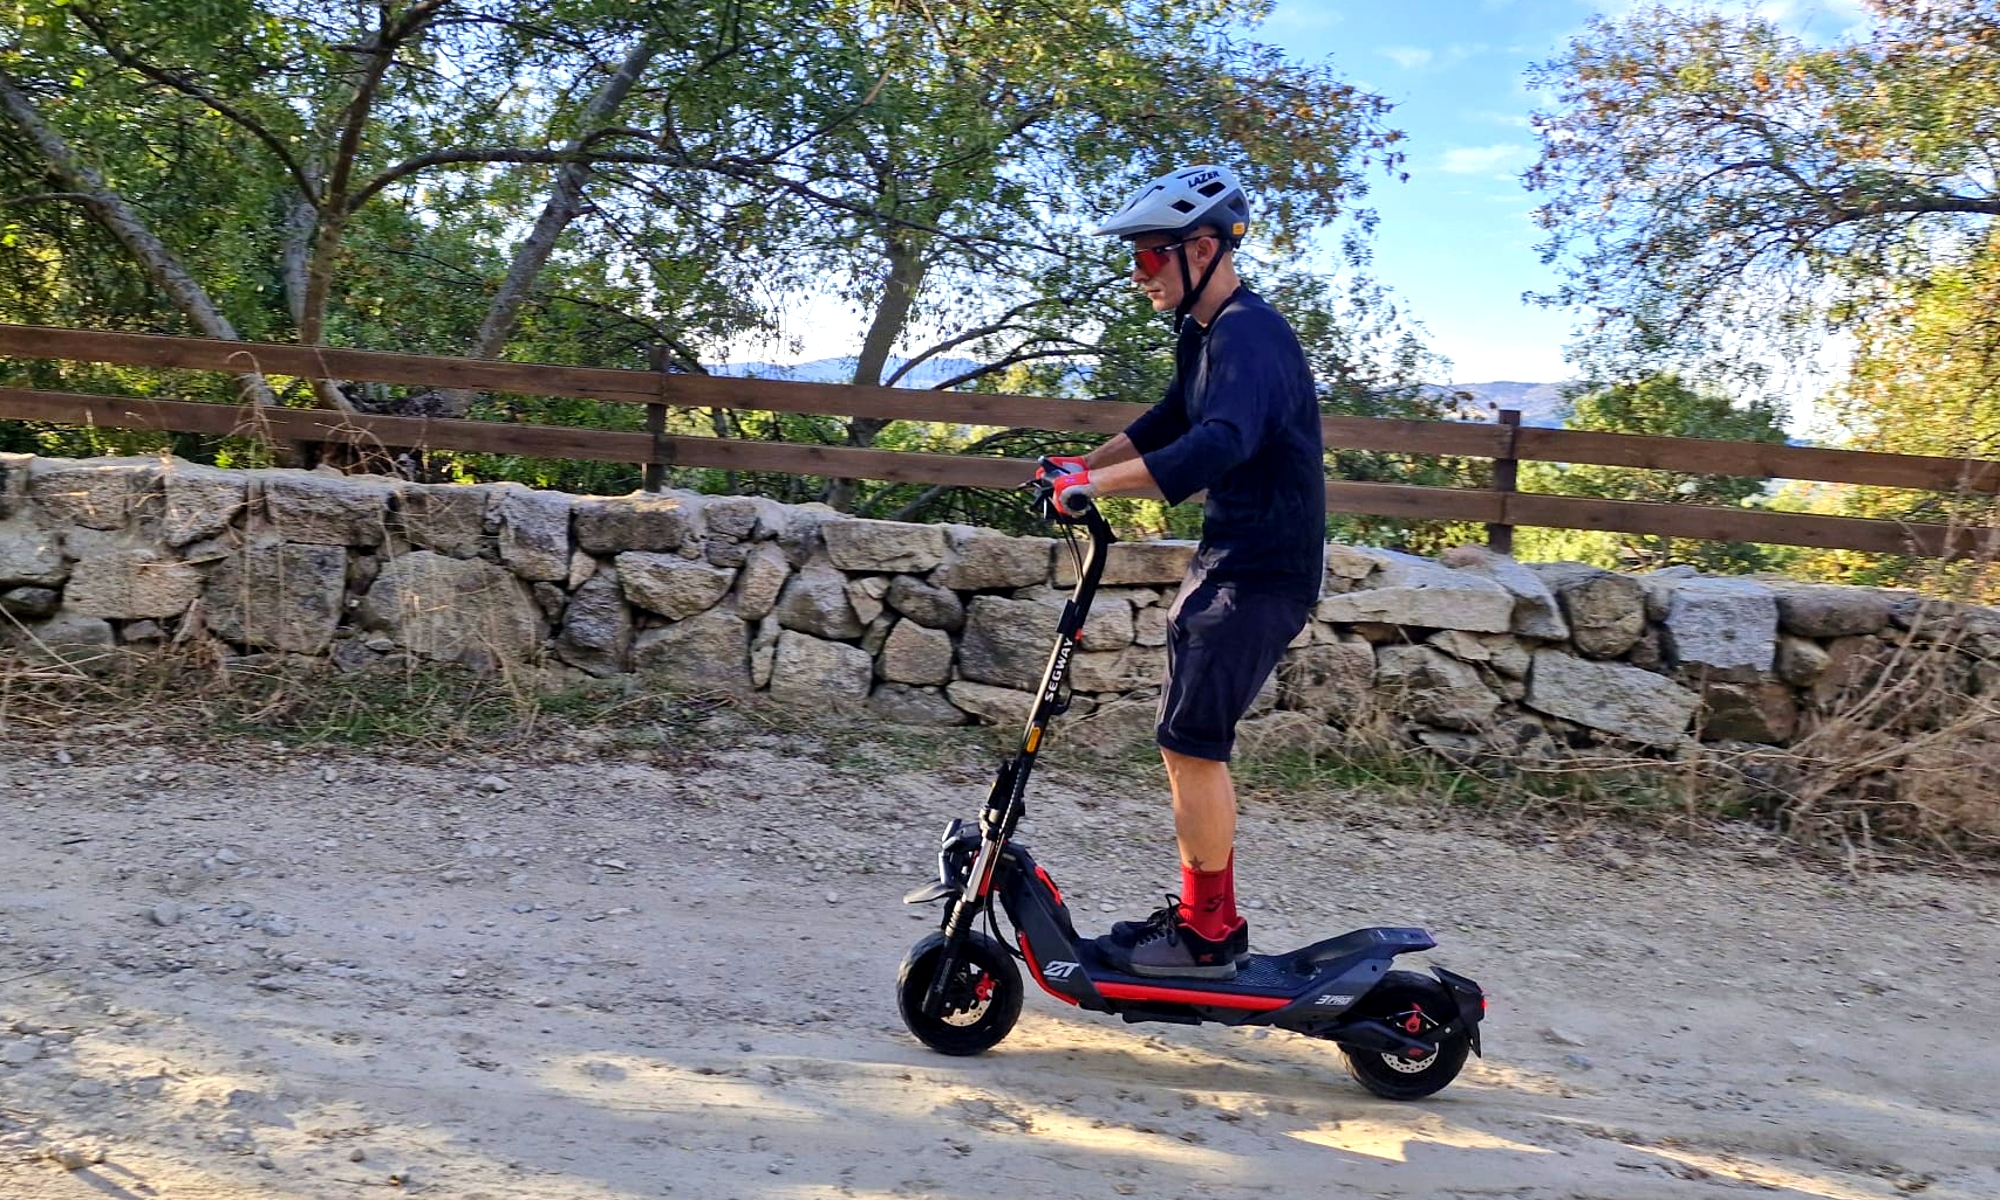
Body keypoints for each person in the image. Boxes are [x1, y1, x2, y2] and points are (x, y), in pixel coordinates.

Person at [1039, 165, 1324, 980]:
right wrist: (1079, 463)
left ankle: (1205, 938)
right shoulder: (1206, 333)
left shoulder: (1250, 334)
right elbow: (1171, 419)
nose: (1139, 276)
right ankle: (1206, 922)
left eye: (1149, 258)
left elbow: (1216, 444)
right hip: (1231, 559)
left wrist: (1089, 488)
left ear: (1204, 247)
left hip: (1260, 570)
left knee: (1193, 745)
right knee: (1183, 742)